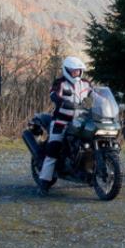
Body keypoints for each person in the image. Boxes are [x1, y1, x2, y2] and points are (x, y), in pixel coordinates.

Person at [38, 55, 90, 183]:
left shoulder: (85, 83)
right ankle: (44, 182)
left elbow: (96, 93)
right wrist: (60, 100)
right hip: (61, 121)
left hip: (79, 122)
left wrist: (108, 101)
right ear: (66, 70)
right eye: (73, 70)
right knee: (53, 149)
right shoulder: (60, 83)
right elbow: (53, 94)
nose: (76, 73)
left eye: (78, 70)